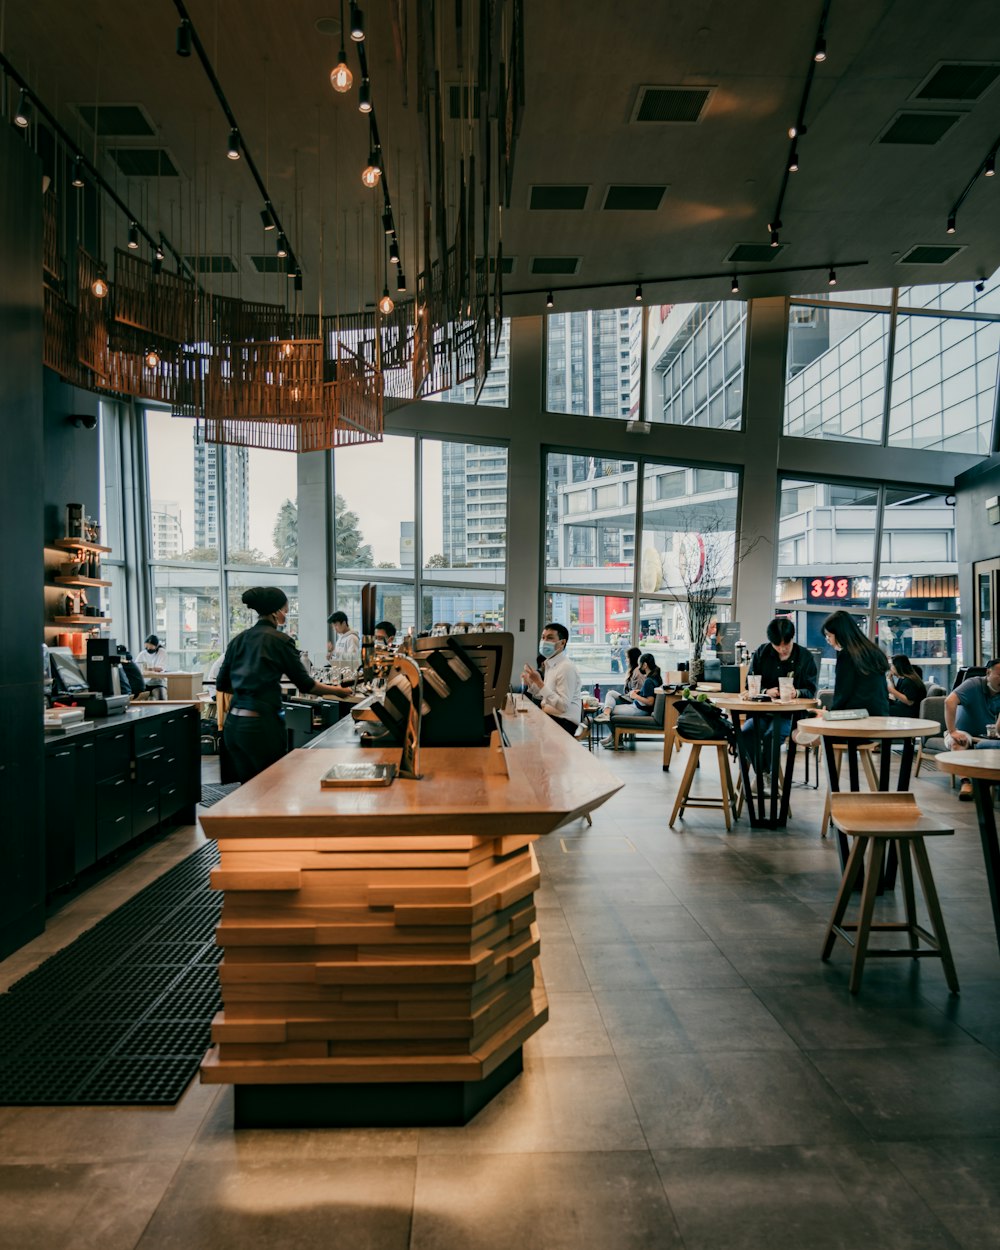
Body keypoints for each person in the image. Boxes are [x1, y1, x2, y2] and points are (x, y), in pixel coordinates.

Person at [218, 587, 348, 784]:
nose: (285, 615)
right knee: (270, 788)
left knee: (247, 790)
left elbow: (222, 683)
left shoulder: (238, 640)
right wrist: (339, 691)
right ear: (275, 612)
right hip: (260, 727)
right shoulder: (280, 641)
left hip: (234, 727)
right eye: (285, 611)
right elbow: (306, 685)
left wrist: (248, 690)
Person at [742, 617, 819, 783]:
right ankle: (763, 773)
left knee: (772, 735)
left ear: (792, 639)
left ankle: (766, 775)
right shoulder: (762, 653)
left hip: (789, 715)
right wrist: (765, 691)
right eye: (777, 645)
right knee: (746, 733)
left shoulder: (805, 657)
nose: (782, 649)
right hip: (761, 713)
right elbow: (749, 683)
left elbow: (811, 690)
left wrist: (796, 692)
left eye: (786, 644)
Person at [944, 657, 1000, 800]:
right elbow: (949, 701)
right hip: (964, 731)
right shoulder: (973, 684)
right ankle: (966, 783)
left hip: (991, 735)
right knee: (958, 742)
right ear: (988, 673)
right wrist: (952, 731)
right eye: (999, 675)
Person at [822, 609, 890, 714]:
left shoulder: (847, 655)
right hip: (880, 713)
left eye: (829, 635)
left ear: (840, 634)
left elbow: (843, 692)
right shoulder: (874, 651)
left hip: (855, 716)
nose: (828, 640)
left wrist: (832, 714)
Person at [520, 622, 582, 734]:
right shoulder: (551, 664)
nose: (544, 642)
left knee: (524, 730)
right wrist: (531, 682)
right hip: (551, 717)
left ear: (562, 643)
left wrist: (539, 682)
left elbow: (563, 706)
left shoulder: (565, 667)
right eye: (543, 637)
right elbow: (544, 695)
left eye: (550, 638)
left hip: (564, 722)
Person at [603, 652, 661, 749]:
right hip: (638, 706)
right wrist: (640, 691)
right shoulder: (655, 678)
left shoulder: (649, 681)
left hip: (640, 709)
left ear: (645, 665)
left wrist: (635, 696)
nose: (639, 667)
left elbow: (650, 702)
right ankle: (614, 736)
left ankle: (617, 740)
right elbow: (650, 694)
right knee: (610, 696)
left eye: (640, 665)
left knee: (609, 711)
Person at [598, 647, 642, 718]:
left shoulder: (638, 672)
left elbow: (639, 691)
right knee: (608, 701)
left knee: (610, 696)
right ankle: (606, 715)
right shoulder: (632, 670)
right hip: (629, 698)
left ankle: (606, 715)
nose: (626, 660)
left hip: (632, 701)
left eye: (627, 657)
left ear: (632, 658)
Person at [886, 654, 927, 718]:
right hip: (903, 707)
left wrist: (891, 690)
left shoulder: (909, 681)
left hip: (909, 712)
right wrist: (891, 680)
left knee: (882, 708)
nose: (890, 668)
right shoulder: (903, 678)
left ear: (898, 667)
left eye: (892, 665)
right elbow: (896, 696)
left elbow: (909, 701)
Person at [135, 634, 168, 699]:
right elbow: (136, 666)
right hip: (144, 683)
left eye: (150, 647)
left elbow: (160, 669)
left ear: (156, 646)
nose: (148, 648)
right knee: (135, 696)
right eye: (147, 647)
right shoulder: (142, 654)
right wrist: (151, 669)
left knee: (161, 698)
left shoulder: (162, 652)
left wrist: (147, 669)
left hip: (158, 683)